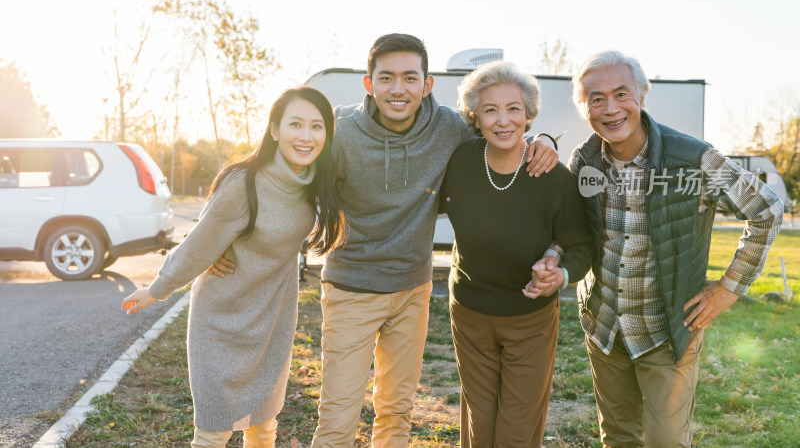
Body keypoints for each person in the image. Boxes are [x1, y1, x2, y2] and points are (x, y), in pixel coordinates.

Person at [209, 33, 559, 447]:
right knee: (339, 414)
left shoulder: (449, 127)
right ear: (369, 84)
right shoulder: (339, 132)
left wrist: (546, 140)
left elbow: (503, 133)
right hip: (350, 288)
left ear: (427, 85)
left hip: (413, 289)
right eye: (387, 77)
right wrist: (220, 233)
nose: (399, 89)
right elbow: (272, 172)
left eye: (410, 78)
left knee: (397, 412)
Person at [566, 51, 783, 448]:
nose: (610, 109)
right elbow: (571, 229)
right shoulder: (584, 161)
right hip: (604, 327)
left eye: (621, 94)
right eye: (596, 99)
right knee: (616, 438)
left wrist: (729, 288)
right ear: (584, 108)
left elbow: (766, 208)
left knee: (666, 441)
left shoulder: (694, 159)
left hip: (667, 332)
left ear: (643, 95)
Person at [121, 87, 345, 448]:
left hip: (270, 320)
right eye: (296, 124)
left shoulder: (314, 184)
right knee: (213, 431)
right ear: (274, 130)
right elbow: (199, 243)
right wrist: (157, 289)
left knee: (263, 423)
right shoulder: (243, 184)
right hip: (221, 321)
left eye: (317, 126)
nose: (306, 136)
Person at [439, 61, 593, 447]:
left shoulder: (554, 177)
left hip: (530, 320)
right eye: (490, 109)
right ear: (475, 117)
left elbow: (579, 244)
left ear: (528, 115)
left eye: (513, 109)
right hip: (470, 314)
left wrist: (560, 274)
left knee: (517, 428)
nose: (503, 120)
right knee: (480, 421)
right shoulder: (459, 162)